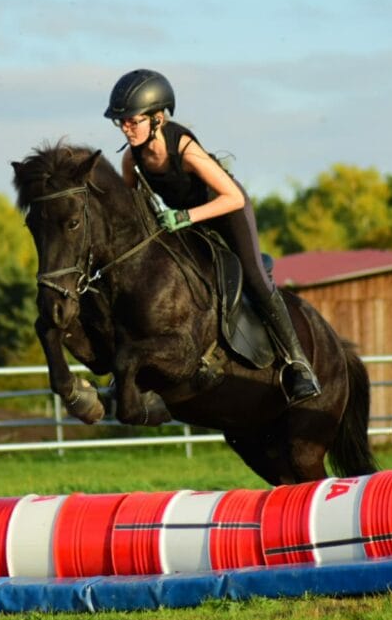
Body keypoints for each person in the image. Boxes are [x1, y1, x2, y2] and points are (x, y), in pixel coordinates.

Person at [103, 68, 321, 405]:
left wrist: (185, 216)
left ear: (158, 118)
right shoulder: (132, 159)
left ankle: (298, 365)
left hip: (227, 212)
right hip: (186, 223)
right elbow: (132, 210)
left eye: (132, 120)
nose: (126, 128)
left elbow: (231, 197)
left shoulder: (186, 150)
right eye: (121, 122)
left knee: (254, 278)